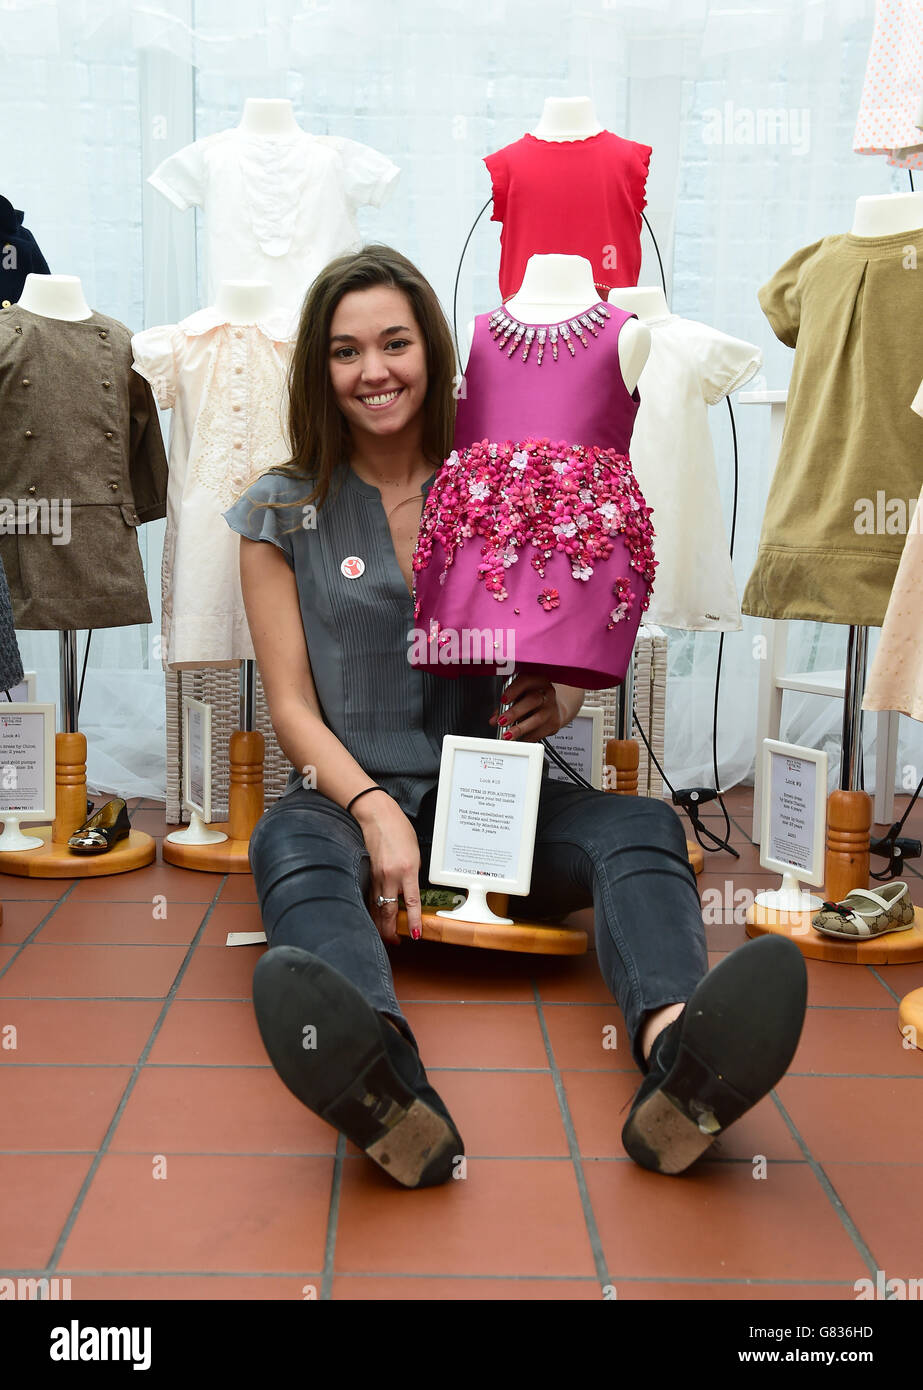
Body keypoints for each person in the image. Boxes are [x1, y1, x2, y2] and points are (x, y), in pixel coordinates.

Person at [223, 244, 808, 1189]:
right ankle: (380, 1077)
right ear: (318, 370)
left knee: (640, 825)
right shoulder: (279, 511)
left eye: (395, 343)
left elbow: (569, 615)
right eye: (345, 351)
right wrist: (371, 808)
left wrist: (566, 692)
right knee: (292, 851)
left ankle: (678, 1056)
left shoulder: (495, 480)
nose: (373, 371)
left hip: (491, 808)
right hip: (347, 796)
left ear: (434, 352)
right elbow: (290, 704)